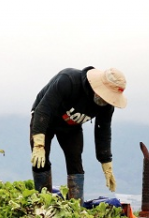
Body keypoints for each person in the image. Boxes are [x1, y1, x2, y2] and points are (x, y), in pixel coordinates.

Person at [29, 66, 127, 201]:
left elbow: (102, 130)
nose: (105, 101)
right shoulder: (68, 81)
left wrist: (106, 162)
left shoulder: (107, 105)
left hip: (71, 127)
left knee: (75, 163)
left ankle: (75, 206)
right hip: (45, 120)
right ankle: (41, 201)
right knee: (40, 160)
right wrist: (39, 144)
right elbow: (43, 110)